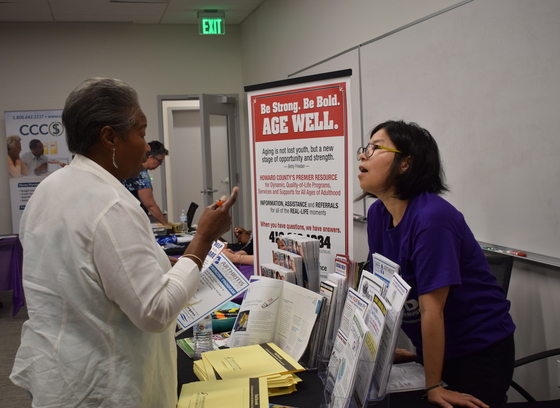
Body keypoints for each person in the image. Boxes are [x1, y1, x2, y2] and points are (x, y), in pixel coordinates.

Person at [10, 77, 239, 408]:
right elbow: (155, 312)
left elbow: (83, 272)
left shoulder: (50, 188)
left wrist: (158, 265)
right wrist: (203, 238)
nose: (147, 147)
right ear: (109, 137)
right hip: (104, 386)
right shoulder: (110, 204)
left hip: (60, 373)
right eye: (142, 133)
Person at [358, 120, 515, 408]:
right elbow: (380, 292)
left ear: (406, 163)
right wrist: (381, 350)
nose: (363, 155)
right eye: (365, 147)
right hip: (436, 349)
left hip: (478, 351)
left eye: (375, 147)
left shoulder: (433, 220)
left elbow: (433, 309)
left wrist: (433, 385)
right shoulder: (378, 214)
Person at [121, 140, 172, 228]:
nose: (160, 164)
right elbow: (150, 205)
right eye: (160, 161)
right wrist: (167, 225)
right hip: (133, 220)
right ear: (151, 157)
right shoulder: (141, 175)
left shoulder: (133, 169)